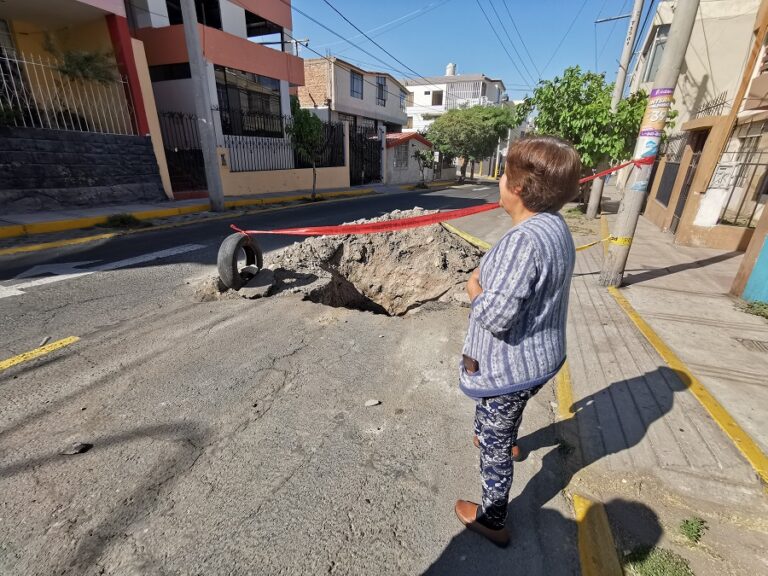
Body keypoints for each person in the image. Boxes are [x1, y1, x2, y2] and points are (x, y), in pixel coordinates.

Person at [454, 135, 581, 547]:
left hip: (511, 365)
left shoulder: (523, 241)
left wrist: (475, 289)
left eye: (504, 174)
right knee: (505, 414)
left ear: (519, 188)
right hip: (540, 359)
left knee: (494, 436)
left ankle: (493, 517)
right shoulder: (554, 226)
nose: (499, 181)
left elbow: (496, 316)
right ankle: (503, 437)